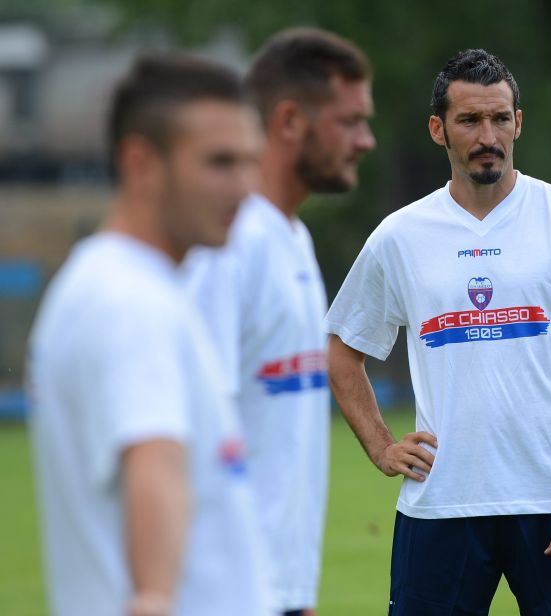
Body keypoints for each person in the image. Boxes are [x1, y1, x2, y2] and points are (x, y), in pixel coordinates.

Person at [324, 49, 551, 615]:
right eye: (469, 120)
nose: (487, 135)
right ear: (438, 130)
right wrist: (381, 445)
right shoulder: (401, 235)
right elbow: (343, 353)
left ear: (519, 122)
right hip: (440, 507)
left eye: (499, 118)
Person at [27, 55, 269, 616]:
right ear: (141, 163)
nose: (245, 188)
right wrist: (154, 598)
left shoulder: (126, 287)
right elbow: (153, 462)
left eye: (251, 162)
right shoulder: (129, 302)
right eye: (220, 163)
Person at [183, 28, 376, 616]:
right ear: (289, 121)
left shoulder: (292, 237)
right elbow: (190, 437)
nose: (366, 141)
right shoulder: (225, 246)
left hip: (277, 592)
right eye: (349, 121)